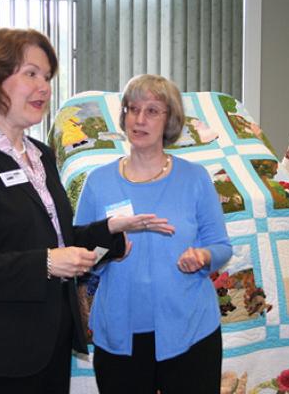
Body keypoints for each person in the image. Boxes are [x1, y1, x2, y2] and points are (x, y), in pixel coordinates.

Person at [0, 28, 164, 394]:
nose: (44, 87)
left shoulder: (40, 155)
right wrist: (44, 263)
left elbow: (53, 239)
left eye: (47, 77)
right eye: (31, 73)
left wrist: (108, 230)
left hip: (46, 342)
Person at [75, 74, 233, 393]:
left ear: (170, 120)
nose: (140, 119)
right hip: (120, 335)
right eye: (132, 109)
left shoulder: (195, 179)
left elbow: (221, 246)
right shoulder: (98, 182)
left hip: (191, 330)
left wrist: (203, 256)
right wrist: (112, 248)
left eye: (152, 110)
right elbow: (80, 253)